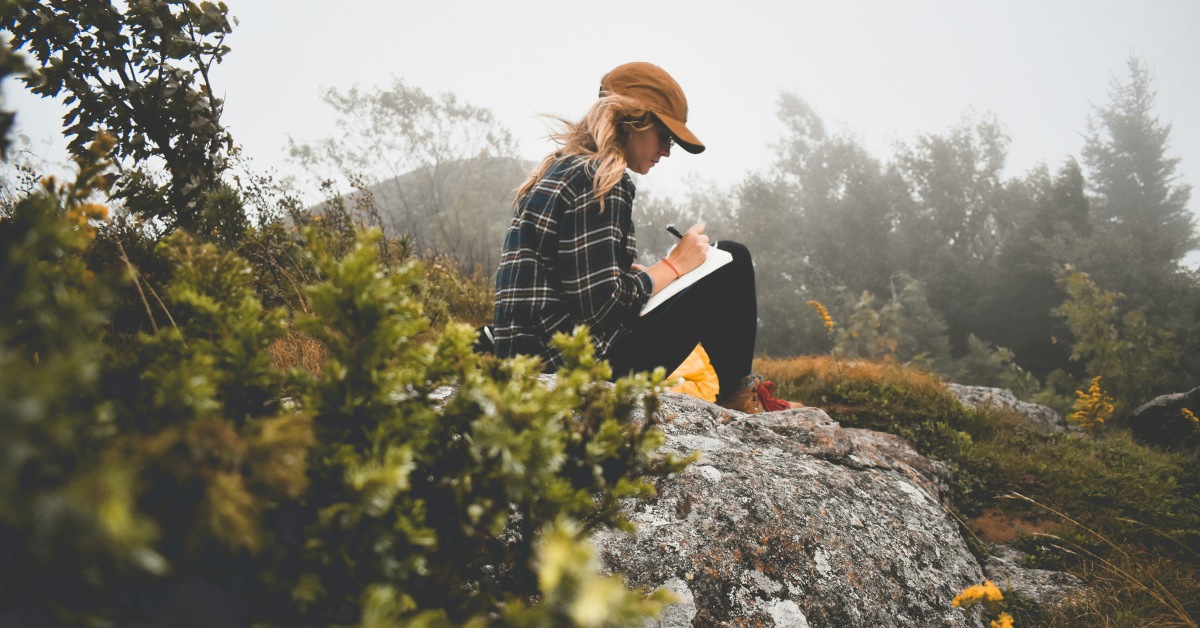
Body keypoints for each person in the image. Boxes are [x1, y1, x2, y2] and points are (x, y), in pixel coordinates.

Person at [492, 62, 798, 414]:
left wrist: (640, 276)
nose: (667, 151)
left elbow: (572, 288)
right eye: (665, 137)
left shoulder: (559, 170)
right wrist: (674, 265)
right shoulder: (602, 180)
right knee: (732, 259)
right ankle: (738, 397)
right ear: (632, 121)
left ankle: (738, 395)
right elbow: (602, 306)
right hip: (576, 368)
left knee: (705, 267)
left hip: (533, 361)